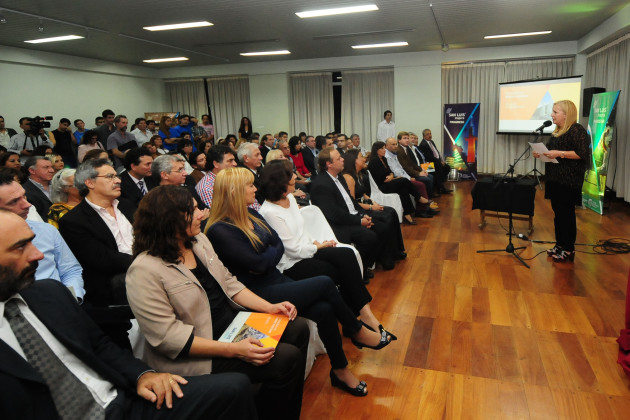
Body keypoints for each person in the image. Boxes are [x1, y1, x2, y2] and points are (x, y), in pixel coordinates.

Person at [0, 210, 258, 420]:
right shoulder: (146, 268)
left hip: (120, 401)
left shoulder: (48, 293)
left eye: (32, 242)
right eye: (20, 247)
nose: (37, 255)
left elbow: (100, 346)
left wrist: (141, 375)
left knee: (234, 388)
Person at [206, 167, 394, 397]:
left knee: (324, 309)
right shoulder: (220, 229)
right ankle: (356, 330)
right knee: (325, 282)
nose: (255, 188)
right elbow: (260, 263)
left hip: (275, 279)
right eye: (250, 185)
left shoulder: (250, 214)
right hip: (256, 292)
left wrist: (268, 254)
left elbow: (276, 245)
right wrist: (269, 254)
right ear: (234, 191)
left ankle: (341, 370)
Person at [126, 185, 308, 420]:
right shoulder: (144, 270)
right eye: (194, 210)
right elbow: (170, 339)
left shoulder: (198, 240)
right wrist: (235, 351)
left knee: (297, 327)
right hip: (199, 352)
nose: (202, 213)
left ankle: (270, 405)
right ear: (171, 220)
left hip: (230, 329)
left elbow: (229, 283)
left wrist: (269, 307)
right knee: (286, 359)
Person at [259, 160, 397, 337]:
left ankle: (364, 315)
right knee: (334, 271)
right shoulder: (270, 212)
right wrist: (319, 246)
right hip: (291, 263)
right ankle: (356, 322)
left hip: (308, 251)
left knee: (347, 254)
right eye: (291, 175)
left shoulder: (290, 199)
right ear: (280, 182)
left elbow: (302, 231)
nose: (295, 177)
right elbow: (292, 250)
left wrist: (316, 243)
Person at [58, 159, 136, 348]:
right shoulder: (73, 221)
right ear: (90, 183)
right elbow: (101, 259)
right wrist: (146, 261)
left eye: (116, 175)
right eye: (110, 176)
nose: (117, 180)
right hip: (114, 289)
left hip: (146, 273)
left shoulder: (128, 206)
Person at [312, 148, 407, 271]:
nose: (343, 160)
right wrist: (359, 221)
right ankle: (359, 269)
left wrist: (363, 215)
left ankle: (381, 260)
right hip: (337, 225)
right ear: (329, 164)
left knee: (382, 227)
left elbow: (351, 202)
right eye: (339, 158)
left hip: (350, 216)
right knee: (370, 236)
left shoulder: (338, 177)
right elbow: (334, 214)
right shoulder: (322, 184)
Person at [0, 173, 85, 302]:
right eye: (14, 201)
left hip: (60, 302)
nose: (27, 204)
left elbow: (70, 270)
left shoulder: (46, 230)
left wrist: (73, 298)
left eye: (24, 196)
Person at [532, 100, 590, 262]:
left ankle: (569, 249)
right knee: (558, 215)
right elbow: (553, 153)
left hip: (569, 180)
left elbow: (582, 154)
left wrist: (559, 153)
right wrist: (542, 153)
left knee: (566, 215)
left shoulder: (576, 130)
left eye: (555, 112)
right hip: (555, 178)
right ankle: (560, 245)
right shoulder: (557, 131)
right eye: (553, 111)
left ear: (566, 114)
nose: (552, 115)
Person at [343, 148, 416, 226]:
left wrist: (374, 203)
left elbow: (363, 194)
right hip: (359, 210)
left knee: (392, 211)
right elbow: (352, 203)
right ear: (354, 160)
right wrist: (371, 207)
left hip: (365, 204)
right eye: (362, 157)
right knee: (387, 217)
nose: (365, 159)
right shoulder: (348, 178)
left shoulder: (359, 175)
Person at [419, 129, 452, 193]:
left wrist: (441, 160)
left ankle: (439, 184)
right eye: (427, 134)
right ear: (424, 136)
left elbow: (436, 153)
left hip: (434, 162)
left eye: (430, 133)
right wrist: (439, 162)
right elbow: (429, 157)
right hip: (426, 165)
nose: (430, 135)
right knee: (438, 167)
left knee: (447, 167)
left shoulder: (432, 142)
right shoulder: (423, 144)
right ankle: (441, 188)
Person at [22, 156, 55, 221]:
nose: (52, 170)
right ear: (32, 171)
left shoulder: (58, 185)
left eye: (52, 167)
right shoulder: (24, 191)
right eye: (46, 167)